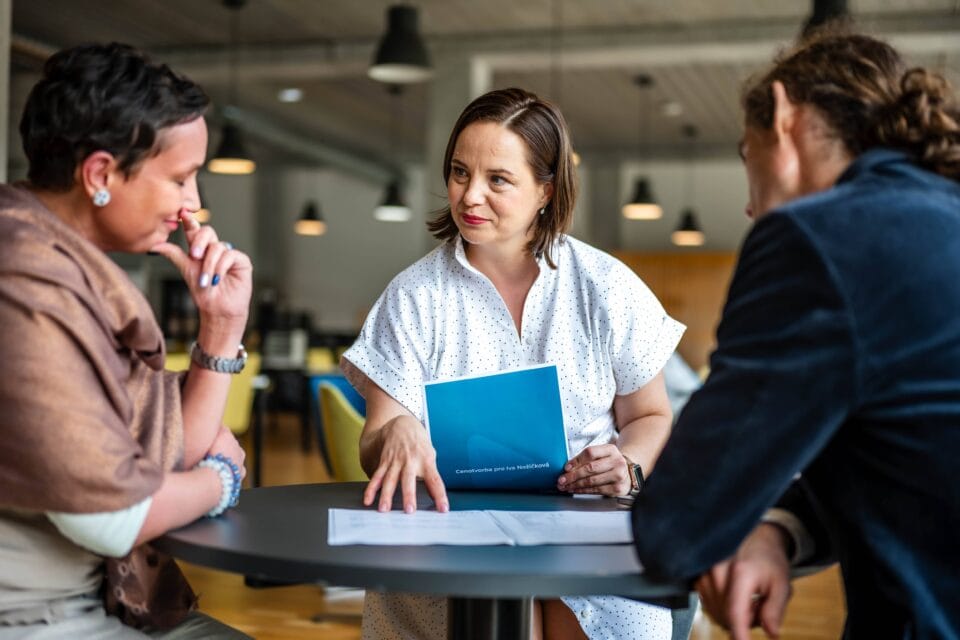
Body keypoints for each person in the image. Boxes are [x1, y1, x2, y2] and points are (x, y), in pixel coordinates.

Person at [630, 28, 960, 640]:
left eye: (745, 155)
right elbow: (908, 460)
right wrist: (776, 529)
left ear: (784, 117)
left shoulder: (820, 238)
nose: (750, 208)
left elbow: (679, 527)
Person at [342, 87, 684, 640]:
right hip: (452, 535)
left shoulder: (606, 287)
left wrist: (630, 465)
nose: (470, 195)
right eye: (459, 172)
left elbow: (650, 415)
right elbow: (375, 440)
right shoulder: (413, 297)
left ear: (546, 190)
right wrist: (394, 432)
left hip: (589, 529)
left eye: (497, 179)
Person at [0, 43, 254, 638]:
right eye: (181, 179)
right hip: (30, 615)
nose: (193, 204)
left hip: (87, 598)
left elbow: (171, 455)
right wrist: (222, 478)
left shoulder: (60, 269)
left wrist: (221, 326)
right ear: (100, 175)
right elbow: (114, 517)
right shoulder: (26, 286)